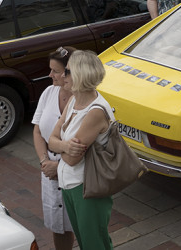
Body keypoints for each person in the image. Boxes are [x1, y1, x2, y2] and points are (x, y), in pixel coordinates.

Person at [48, 50, 115, 250]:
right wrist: (65, 146)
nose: (62, 76)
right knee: (85, 242)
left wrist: (60, 146)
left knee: (95, 244)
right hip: (69, 184)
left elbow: (72, 160)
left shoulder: (95, 111)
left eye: (66, 71)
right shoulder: (73, 101)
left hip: (87, 188)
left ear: (80, 75)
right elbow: (51, 140)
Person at [31, 46, 76, 250]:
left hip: (75, 172)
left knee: (80, 224)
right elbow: (38, 131)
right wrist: (44, 162)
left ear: (71, 72)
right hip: (48, 169)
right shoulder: (49, 92)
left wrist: (58, 167)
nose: (50, 75)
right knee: (58, 225)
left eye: (56, 71)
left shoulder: (83, 101)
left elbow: (85, 147)